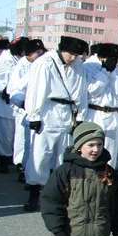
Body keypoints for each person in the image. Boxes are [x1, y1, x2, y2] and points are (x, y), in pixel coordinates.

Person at [23, 36, 90, 211]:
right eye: (71, 54)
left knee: (64, 157)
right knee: (40, 155)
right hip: (48, 113)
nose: (73, 58)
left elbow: (82, 92)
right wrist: (34, 115)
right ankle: (34, 194)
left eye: (76, 55)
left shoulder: (78, 66)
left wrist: (81, 116)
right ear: (62, 50)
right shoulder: (45, 63)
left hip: (67, 115)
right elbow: (35, 90)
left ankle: (59, 193)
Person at [82, 43, 118, 170]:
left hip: (112, 117)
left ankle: (108, 178)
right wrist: (104, 72)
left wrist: (112, 73)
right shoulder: (88, 67)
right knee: (93, 150)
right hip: (95, 113)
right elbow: (93, 90)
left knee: (111, 153)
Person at [6, 39, 46, 178]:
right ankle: (21, 165)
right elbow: (13, 89)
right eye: (37, 52)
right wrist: (24, 103)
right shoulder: (21, 66)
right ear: (29, 53)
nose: (40, 55)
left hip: (35, 109)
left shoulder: (39, 65)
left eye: (41, 52)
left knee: (31, 142)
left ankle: (26, 167)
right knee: (22, 140)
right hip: (23, 108)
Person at [0, 37, 26, 173]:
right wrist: (4, 90)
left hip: (14, 106)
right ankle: (4, 160)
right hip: (3, 105)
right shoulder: (4, 61)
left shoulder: (17, 60)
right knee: (4, 135)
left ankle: (10, 159)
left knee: (12, 135)